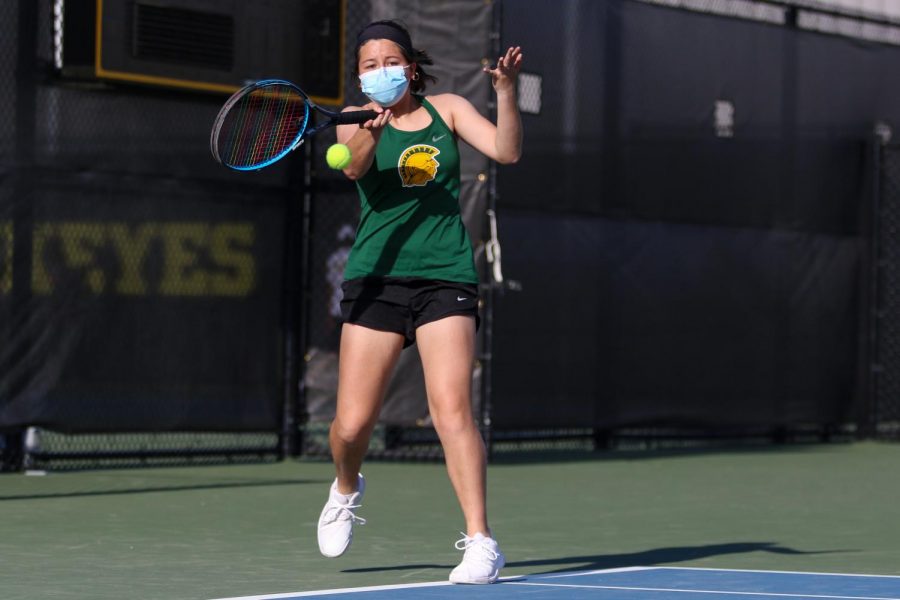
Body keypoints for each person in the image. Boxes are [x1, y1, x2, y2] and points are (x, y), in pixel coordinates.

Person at [316, 19, 523, 585]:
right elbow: (355, 166)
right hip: (376, 280)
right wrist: (373, 132)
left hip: (444, 277)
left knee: (450, 409)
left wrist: (505, 92)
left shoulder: (449, 109)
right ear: (359, 75)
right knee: (352, 426)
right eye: (368, 64)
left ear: (410, 66)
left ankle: (481, 541)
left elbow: (505, 151)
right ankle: (344, 486)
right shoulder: (353, 122)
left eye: (390, 61)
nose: (380, 70)